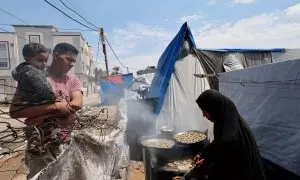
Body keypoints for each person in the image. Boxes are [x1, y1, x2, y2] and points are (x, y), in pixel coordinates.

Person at [10, 43, 83, 179]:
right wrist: (55, 107)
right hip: (39, 145)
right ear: (55, 56)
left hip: (64, 141)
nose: (72, 64)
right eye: (69, 59)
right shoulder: (32, 77)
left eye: (74, 61)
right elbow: (15, 111)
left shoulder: (73, 80)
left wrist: (42, 115)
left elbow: (77, 104)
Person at [193, 89, 266, 180]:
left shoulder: (231, 134)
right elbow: (218, 143)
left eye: (205, 110)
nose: (203, 114)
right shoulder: (224, 121)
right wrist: (202, 154)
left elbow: (225, 163)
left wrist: (206, 163)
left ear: (214, 108)